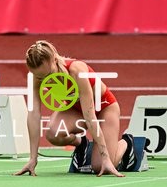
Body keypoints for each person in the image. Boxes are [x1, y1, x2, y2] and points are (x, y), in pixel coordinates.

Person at [15, 40, 137, 177]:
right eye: (40, 77)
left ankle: (127, 142)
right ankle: (82, 144)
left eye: (49, 75)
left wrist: (105, 157)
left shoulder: (77, 71)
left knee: (99, 166)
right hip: (74, 108)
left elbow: (90, 116)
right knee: (53, 133)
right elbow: (33, 114)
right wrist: (33, 159)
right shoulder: (36, 77)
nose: (47, 81)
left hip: (104, 108)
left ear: (55, 60)